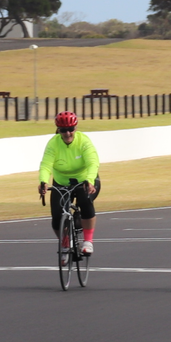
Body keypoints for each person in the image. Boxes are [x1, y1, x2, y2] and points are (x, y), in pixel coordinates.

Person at [37, 111, 101, 262]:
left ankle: (87, 241)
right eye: (63, 130)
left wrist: (90, 180)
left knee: (85, 202)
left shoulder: (83, 141)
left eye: (71, 129)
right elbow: (46, 165)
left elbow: (93, 162)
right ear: (58, 129)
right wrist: (43, 182)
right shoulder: (53, 144)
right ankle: (65, 243)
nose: (67, 133)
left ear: (75, 128)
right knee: (56, 217)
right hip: (61, 182)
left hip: (85, 180)